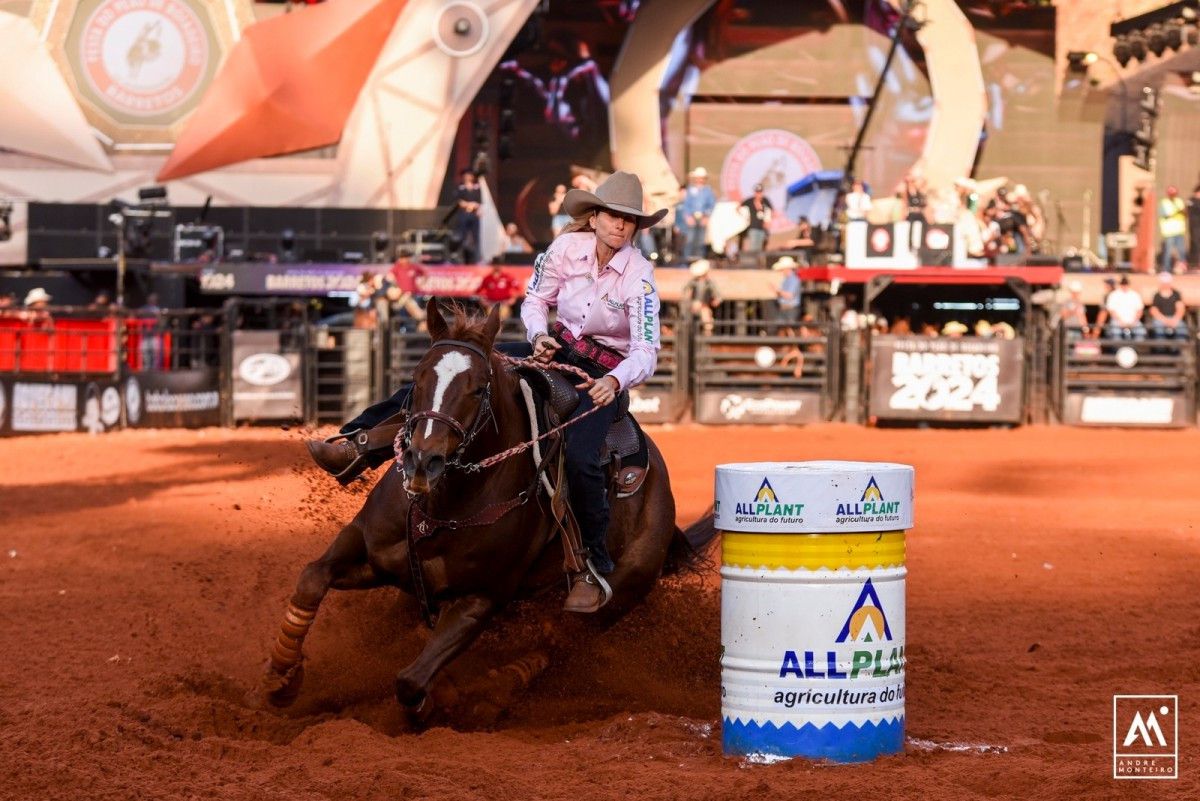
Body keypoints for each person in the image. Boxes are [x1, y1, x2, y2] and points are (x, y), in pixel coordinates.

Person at [306, 171, 668, 614]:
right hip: (553, 351)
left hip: (600, 375)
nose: (621, 226)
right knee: (454, 369)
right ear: (594, 217)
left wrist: (614, 381)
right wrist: (537, 337)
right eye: (614, 215)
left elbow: (647, 349)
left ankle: (589, 562)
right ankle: (358, 443)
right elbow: (535, 300)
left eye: (630, 220)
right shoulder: (563, 248)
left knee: (580, 458)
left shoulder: (640, 275)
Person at [679, 166, 715, 261]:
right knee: (690, 238)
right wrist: (688, 216)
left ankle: (699, 258)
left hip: (703, 217)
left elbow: (711, 204)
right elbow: (686, 204)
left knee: (701, 239)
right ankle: (688, 258)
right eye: (698, 177)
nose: (700, 180)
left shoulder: (708, 190)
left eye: (702, 178)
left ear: (704, 179)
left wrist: (706, 216)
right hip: (692, 217)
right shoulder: (690, 190)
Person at [682, 259, 720, 335]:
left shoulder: (709, 283)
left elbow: (717, 294)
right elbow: (685, 290)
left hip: (704, 305)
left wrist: (716, 299)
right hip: (692, 305)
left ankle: (707, 334)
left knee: (706, 317)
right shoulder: (693, 282)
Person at [453, 169, 483, 263]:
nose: (468, 177)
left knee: (476, 237)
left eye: (469, 175)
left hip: (474, 215)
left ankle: (477, 258)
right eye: (466, 175)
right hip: (464, 215)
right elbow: (459, 202)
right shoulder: (460, 188)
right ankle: (460, 258)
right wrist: (469, 205)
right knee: (462, 236)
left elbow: (480, 202)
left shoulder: (477, 188)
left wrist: (474, 206)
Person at [1104, 275, 1146, 340]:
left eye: (1125, 284)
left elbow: (1140, 310)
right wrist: (1120, 322)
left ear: (1128, 284)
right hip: (1117, 321)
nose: (1124, 285)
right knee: (1115, 332)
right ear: (1120, 284)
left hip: (1133, 321)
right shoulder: (1113, 295)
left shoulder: (1135, 294)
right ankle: (1119, 349)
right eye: (1122, 284)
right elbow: (1111, 311)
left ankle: (1136, 349)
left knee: (1141, 332)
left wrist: (1134, 322)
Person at [1148, 271, 1187, 339]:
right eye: (1163, 282)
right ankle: (1161, 348)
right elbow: (1154, 311)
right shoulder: (1157, 295)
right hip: (1161, 320)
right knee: (1158, 328)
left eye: (1166, 282)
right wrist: (1165, 321)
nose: (1165, 284)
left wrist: (1175, 319)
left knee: (1182, 328)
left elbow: (1180, 308)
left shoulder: (1176, 294)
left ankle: (1179, 347)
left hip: (1175, 319)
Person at [1159, 185, 1187, 273]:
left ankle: (1182, 268)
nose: (1173, 194)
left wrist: (1180, 211)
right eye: (1171, 193)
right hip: (1169, 232)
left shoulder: (1179, 201)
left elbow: (1184, 213)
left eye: (1174, 193)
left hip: (1179, 231)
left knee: (1181, 251)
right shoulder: (1164, 202)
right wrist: (1177, 211)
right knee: (1168, 252)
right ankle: (1166, 269)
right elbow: (1166, 215)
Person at [739, 184, 773, 255]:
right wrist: (745, 217)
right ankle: (753, 263)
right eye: (757, 192)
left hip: (763, 228)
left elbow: (771, 211)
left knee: (761, 248)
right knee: (753, 247)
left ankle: (758, 264)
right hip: (753, 228)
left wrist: (768, 221)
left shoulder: (765, 201)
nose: (759, 194)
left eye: (760, 192)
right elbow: (738, 207)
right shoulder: (750, 201)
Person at [773, 256, 802, 334]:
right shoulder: (786, 279)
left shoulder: (793, 280)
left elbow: (789, 295)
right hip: (785, 309)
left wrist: (777, 290)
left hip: (790, 309)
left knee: (788, 331)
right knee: (782, 330)